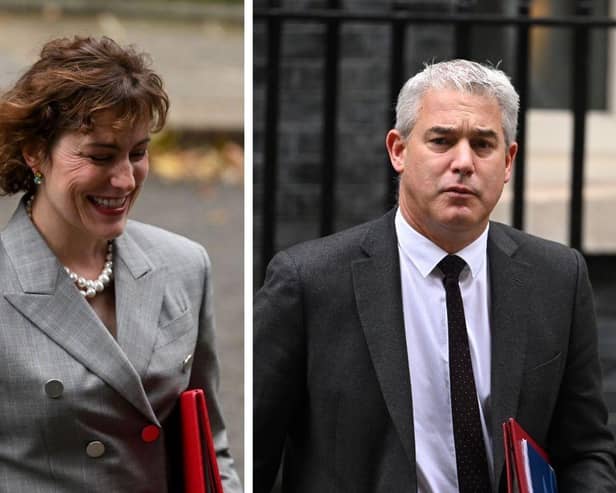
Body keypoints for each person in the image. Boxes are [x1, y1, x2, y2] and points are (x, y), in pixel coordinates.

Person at [254, 59, 616, 492]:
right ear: (398, 150)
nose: (463, 162)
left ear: (508, 161)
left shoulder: (558, 278)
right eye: (442, 141)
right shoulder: (309, 282)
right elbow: (256, 452)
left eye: (483, 144)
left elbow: (585, 450)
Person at [0, 36, 242, 492]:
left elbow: (210, 442)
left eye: (138, 152)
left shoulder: (186, 265)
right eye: (100, 156)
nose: (125, 180)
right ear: (36, 153)